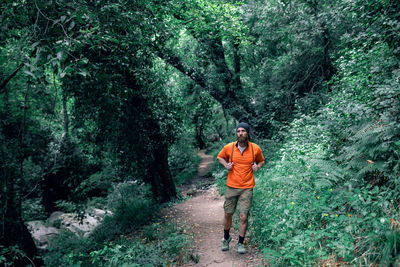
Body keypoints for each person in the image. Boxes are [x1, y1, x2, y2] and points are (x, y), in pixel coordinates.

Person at [217, 122, 264, 254]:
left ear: (247, 133)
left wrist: (257, 167)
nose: (240, 133)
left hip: (247, 187)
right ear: (236, 133)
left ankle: (240, 243)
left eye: (243, 131)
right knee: (228, 214)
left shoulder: (255, 148)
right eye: (238, 131)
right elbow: (220, 157)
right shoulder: (229, 147)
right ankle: (226, 238)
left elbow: (261, 161)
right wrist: (226, 165)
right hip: (232, 186)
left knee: (243, 216)